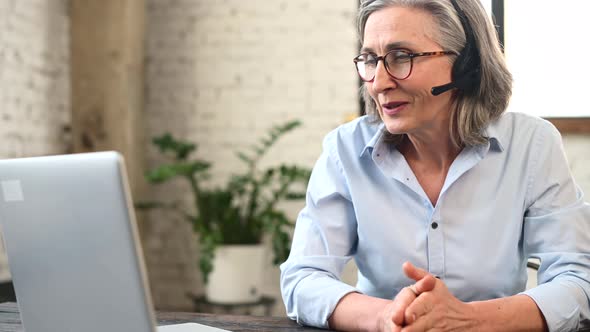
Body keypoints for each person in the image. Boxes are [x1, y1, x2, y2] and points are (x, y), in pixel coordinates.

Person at [280, 0, 590, 331]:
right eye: (370, 60)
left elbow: (578, 279)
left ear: (466, 65)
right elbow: (303, 277)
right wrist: (385, 317)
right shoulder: (344, 149)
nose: (379, 82)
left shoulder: (532, 144)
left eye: (402, 57)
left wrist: (468, 321)